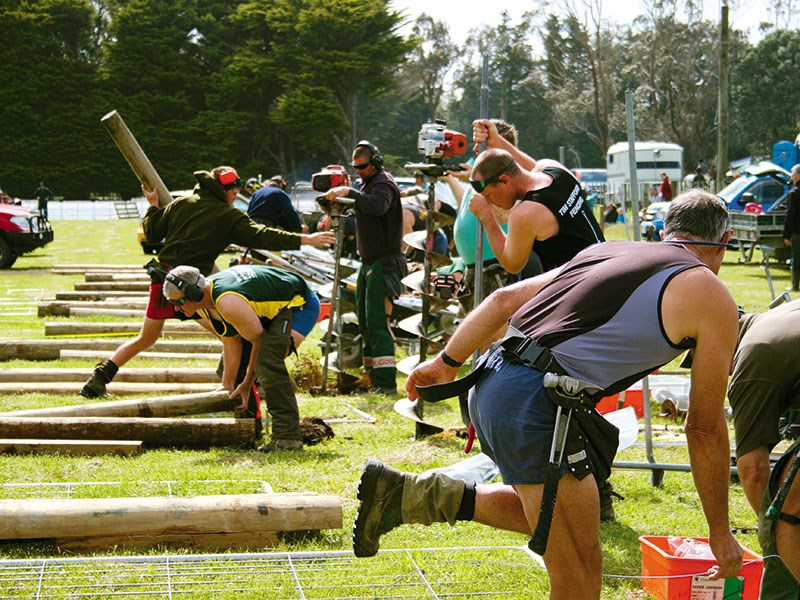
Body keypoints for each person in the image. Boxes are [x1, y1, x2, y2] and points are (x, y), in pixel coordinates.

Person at [353, 190, 743, 599]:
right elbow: (703, 427)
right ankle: (412, 495)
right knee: (578, 577)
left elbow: (504, 299)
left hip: (491, 381)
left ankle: (409, 494)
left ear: (665, 231)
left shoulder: (608, 250)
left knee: (568, 524)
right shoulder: (711, 294)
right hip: (539, 402)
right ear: (726, 239)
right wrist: (720, 533)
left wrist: (446, 363)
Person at [79, 166, 334, 399]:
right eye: (234, 191)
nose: (236, 195)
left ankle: (97, 380)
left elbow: (153, 232)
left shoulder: (182, 204)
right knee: (232, 334)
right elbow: (263, 236)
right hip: (194, 292)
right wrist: (306, 240)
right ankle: (247, 386)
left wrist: (153, 207)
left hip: (165, 281)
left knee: (145, 338)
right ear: (225, 189)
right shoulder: (228, 216)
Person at [162, 264, 320, 452]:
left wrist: (245, 385)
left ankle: (288, 437)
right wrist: (227, 384)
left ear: (194, 293)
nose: (177, 309)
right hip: (268, 306)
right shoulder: (205, 303)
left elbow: (258, 341)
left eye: (178, 303)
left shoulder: (227, 302)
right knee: (229, 369)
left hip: (297, 303)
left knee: (267, 362)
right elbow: (231, 341)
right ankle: (248, 430)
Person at [727, 301, 800, 598]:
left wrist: (771, 533)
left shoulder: (753, 358)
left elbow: (753, 471)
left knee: (784, 517)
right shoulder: (780, 317)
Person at [323, 141, 407, 393]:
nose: (359, 171)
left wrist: (351, 193)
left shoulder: (383, 182)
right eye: (355, 168)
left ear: (376, 163)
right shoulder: (367, 184)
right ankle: (371, 375)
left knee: (380, 322)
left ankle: (385, 382)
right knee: (367, 322)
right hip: (370, 261)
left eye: (363, 167)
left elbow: (378, 206)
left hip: (385, 261)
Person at [467, 145, 604, 276]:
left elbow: (512, 265)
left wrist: (486, 215)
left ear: (505, 181)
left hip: (584, 283)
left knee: (500, 298)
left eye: (488, 195)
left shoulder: (526, 213)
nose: (489, 202)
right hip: (605, 259)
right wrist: (496, 139)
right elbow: (522, 165)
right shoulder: (554, 168)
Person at [439, 118, 521, 315]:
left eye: (481, 144)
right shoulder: (481, 173)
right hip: (473, 268)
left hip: (493, 269)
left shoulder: (504, 178)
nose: (475, 149)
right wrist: (450, 179)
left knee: (491, 332)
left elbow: (506, 216)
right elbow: (468, 207)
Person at [783, 164, 800, 292]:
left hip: (797, 231)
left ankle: (795, 285)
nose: (791, 175)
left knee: (796, 257)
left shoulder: (795, 193)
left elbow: (790, 215)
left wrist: (786, 234)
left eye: (792, 173)